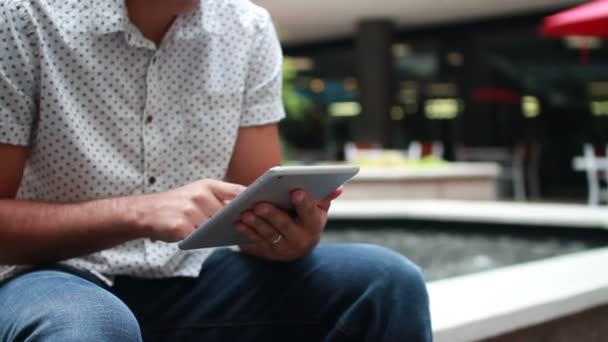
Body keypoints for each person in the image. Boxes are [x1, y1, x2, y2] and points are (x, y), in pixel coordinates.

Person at [0, 0, 432, 340]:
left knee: (386, 282)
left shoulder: (246, 28)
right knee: (89, 324)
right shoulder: (24, 17)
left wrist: (290, 235)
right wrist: (138, 213)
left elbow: (257, 220)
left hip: (189, 277)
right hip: (47, 277)